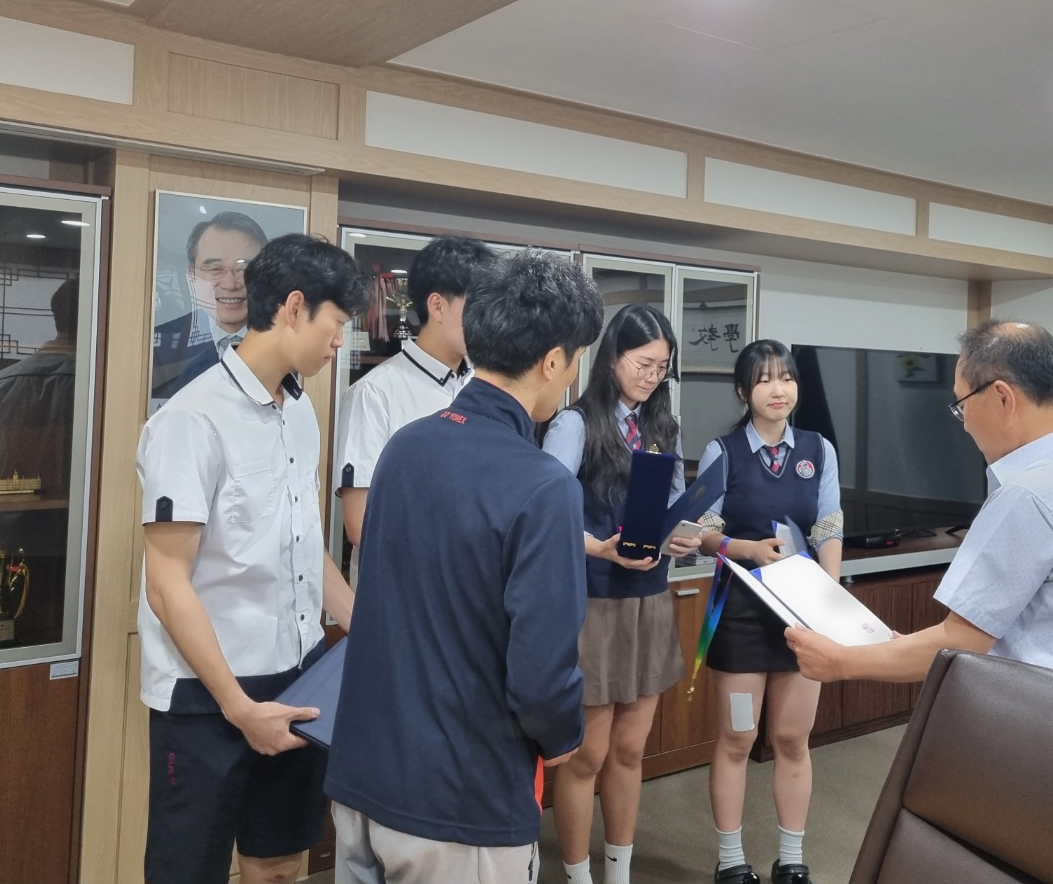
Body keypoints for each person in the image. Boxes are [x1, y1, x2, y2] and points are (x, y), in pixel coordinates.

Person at [326, 250, 604, 884]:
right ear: (552, 361)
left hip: (365, 770)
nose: (571, 378)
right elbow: (541, 673)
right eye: (575, 360)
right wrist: (563, 736)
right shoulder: (543, 485)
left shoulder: (407, 445)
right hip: (460, 797)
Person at [136, 233, 367, 884]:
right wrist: (239, 709)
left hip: (298, 680)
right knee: (189, 871)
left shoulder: (300, 412)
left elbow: (303, 547)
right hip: (207, 696)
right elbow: (166, 585)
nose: (339, 342)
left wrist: (369, 628)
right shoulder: (192, 419)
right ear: (293, 308)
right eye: (335, 324)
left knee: (279, 862)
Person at [788, 320, 1053, 691]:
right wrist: (908, 647)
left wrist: (840, 661)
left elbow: (960, 642)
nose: (965, 425)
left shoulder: (1026, 496)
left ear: (1003, 397)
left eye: (962, 405)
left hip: (1029, 709)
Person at [542, 304, 702, 884]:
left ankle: (619, 871)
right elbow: (545, 513)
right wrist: (600, 548)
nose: (652, 377)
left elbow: (673, 506)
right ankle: (578, 874)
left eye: (662, 368)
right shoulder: (574, 424)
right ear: (612, 357)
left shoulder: (664, 427)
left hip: (648, 598)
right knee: (588, 753)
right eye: (643, 364)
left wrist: (681, 535)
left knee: (631, 749)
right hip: (594, 601)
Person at [694, 339, 844, 884]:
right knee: (738, 738)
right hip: (738, 614)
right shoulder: (723, 451)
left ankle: (792, 858)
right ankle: (732, 861)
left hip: (800, 615)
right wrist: (748, 550)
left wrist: (828, 599)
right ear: (743, 391)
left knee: (792, 740)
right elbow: (702, 532)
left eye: (787, 378)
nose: (778, 389)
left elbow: (828, 525)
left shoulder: (818, 450)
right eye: (764, 380)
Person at [334, 235, 496, 584]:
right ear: (437, 306)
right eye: (477, 306)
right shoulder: (375, 393)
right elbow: (359, 524)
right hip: (403, 592)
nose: (488, 320)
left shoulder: (485, 388)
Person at [0, 277, 78, 644]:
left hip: (15, 526)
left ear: (56, 318)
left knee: (17, 622)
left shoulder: (0, 382)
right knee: (69, 623)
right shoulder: (97, 384)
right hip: (79, 530)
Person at [151, 211, 268, 408]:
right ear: (191, 275)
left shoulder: (289, 343)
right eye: (215, 269)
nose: (230, 284)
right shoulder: (160, 347)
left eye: (245, 270)